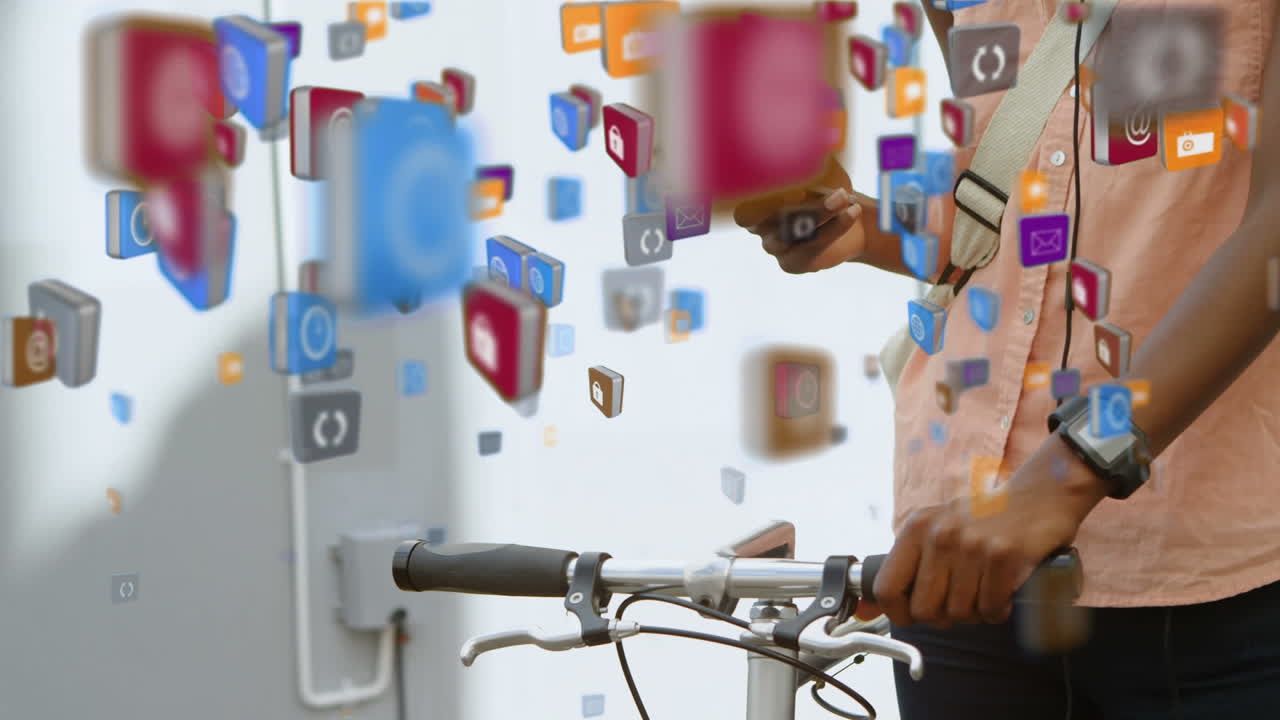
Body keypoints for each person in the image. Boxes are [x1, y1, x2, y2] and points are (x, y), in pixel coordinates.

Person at [735, 1, 1280, 717]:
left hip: (1206, 573)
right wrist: (860, 227)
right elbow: (1008, 201)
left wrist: (1061, 479)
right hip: (961, 553)